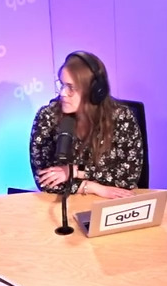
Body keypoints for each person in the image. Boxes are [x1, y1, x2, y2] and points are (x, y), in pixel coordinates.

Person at [29, 51, 145, 199]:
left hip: (112, 204)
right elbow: (45, 179)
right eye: (62, 84)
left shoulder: (121, 117)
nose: (63, 93)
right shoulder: (47, 117)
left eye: (71, 87)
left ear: (94, 92)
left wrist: (75, 171)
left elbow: (128, 176)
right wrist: (92, 187)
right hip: (68, 204)